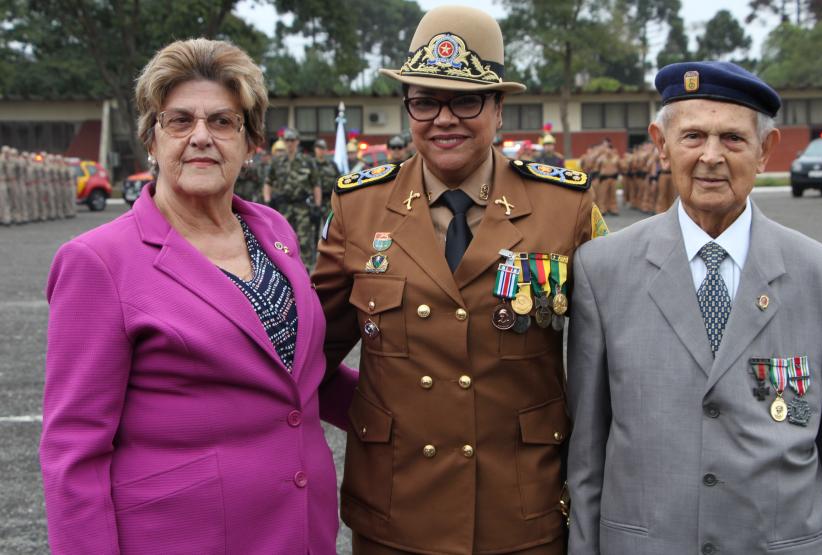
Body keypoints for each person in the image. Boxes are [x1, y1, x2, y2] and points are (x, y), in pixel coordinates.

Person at [40, 38, 356, 554]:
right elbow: (72, 451)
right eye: (179, 120)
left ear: (251, 142)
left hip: (301, 533)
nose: (201, 137)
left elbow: (298, 374)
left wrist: (428, 406)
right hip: (184, 538)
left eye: (223, 122)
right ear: (151, 137)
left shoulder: (273, 230)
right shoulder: (97, 262)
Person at [311, 5, 608, 554]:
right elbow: (309, 353)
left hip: (521, 512)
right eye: (424, 101)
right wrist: (371, 415)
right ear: (407, 109)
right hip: (396, 509)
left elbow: (614, 361)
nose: (442, 118)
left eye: (465, 100)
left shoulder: (562, 206)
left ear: (498, 108)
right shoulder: (360, 206)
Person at [566, 61, 822, 554]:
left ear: (765, 151)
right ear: (662, 143)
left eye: (732, 139)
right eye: (693, 136)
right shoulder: (601, 273)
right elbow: (585, 458)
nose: (711, 156)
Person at [263, 127, 319, 264]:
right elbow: (268, 182)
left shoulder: (308, 161)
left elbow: (316, 185)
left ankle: (306, 271)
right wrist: (268, 201)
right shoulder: (277, 162)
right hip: (283, 207)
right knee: (282, 239)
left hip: (302, 207)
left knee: (304, 241)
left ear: (297, 142)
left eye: (292, 140)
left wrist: (317, 206)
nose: (289, 143)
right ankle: (285, 267)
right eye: (287, 140)